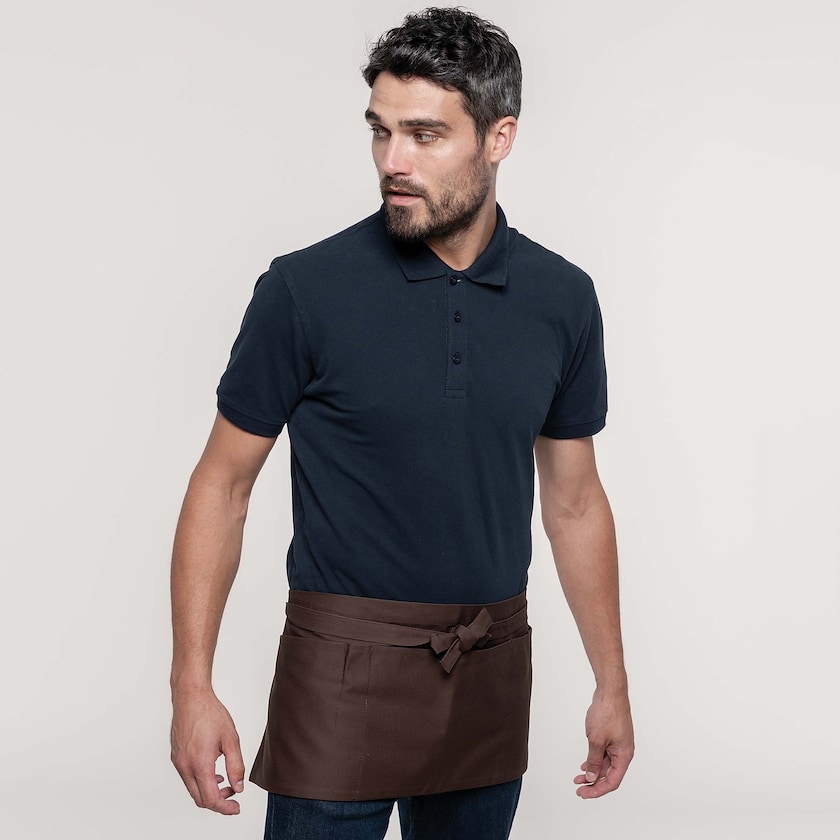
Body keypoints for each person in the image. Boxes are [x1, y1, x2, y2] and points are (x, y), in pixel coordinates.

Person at [169, 7, 634, 839]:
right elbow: (222, 485)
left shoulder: (563, 299)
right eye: (380, 131)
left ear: (499, 138)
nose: (393, 161)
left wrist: (612, 682)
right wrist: (191, 688)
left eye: (425, 135)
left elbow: (574, 502)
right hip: (337, 670)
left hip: (489, 665)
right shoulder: (304, 290)